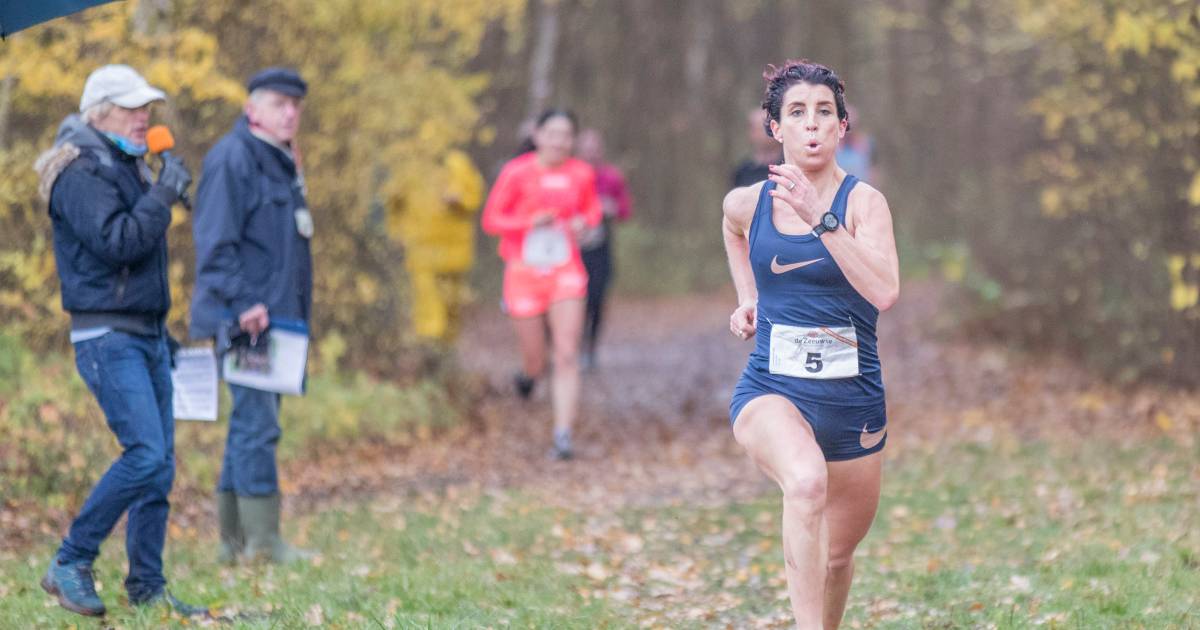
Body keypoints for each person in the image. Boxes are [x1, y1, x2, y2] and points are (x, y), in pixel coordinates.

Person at [722, 59, 899, 628]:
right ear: (776, 129)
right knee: (804, 482)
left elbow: (884, 291)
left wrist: (821, 217)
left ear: (842, 127)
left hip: (853, 403)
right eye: (797, 113)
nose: (812, 124)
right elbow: (730, 227)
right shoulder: (749, 203)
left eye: (825, 112)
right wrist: (747, 295)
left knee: (837, 555)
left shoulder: (864, 205)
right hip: (770, 389)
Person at [32, 64, 204, 617]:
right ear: (98, 111)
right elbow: (120, 243)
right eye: (132, 107)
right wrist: (164, 196)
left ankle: (148, 590)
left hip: (145, 333)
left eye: (147, 107)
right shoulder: (78, 171)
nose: (143, 116)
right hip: (106, 337)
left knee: (161, 466)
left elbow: (139, 264)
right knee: (145, 454)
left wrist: (163, 331)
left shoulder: (127, 165)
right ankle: (70, 561)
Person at [190, 67, 314, 564]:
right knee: (257, 426)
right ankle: (263, 544)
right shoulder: (232, 159)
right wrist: (243, 304)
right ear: (252, 109)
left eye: (296, 105)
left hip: (279, 320)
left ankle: (233, 543)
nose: (290, 113)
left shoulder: (280, 161)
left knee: (250, 424)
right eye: (279, 103)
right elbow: (214, 243)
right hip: (247, 322)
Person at [481, 109, 601, 460]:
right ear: (537, 135)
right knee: (537, 361)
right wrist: (529, 221)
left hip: (566, 270)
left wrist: (583, 222)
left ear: (573, 140)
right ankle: (528, 375)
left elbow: (592, 211)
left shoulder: (581, 173)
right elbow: (491, 219)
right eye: (552, 133)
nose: (559, 141)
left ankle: (562, 435)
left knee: (566, 354)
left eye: (566, 135)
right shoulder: (516, 172)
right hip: (524, 272)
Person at [386, 149, 486, 344]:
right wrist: (397, 233)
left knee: (452, 306)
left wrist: (460, 200)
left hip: (455, 251)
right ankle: (429, 349)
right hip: (422, 249)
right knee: (428, 303)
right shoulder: (409, 168)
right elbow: (392, 203)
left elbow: (475, 198)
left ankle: (445, 351)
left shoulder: (459, 163)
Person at [574, 128, 633, 369]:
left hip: (601, 249)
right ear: (578, 150)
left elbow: (626, 210)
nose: (590, 153)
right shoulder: (571, 175)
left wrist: (611, 209)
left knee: (596, 299)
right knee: (573, 300)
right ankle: (570, 346)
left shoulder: (611, 177)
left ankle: (590, 348)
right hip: (571, 249)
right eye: (586, 148)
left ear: (601, 150)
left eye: (594, 148)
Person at [731, 106, 784, 188]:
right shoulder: (743, 172)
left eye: (765, 128)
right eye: (755, 128)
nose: (761, 133)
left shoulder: (789, 165)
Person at [834, 104, 874, 183]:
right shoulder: (833, 147)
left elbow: (874, 171)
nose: (849, 131)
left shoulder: (867, 145)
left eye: (852, 126)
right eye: (847, 126)